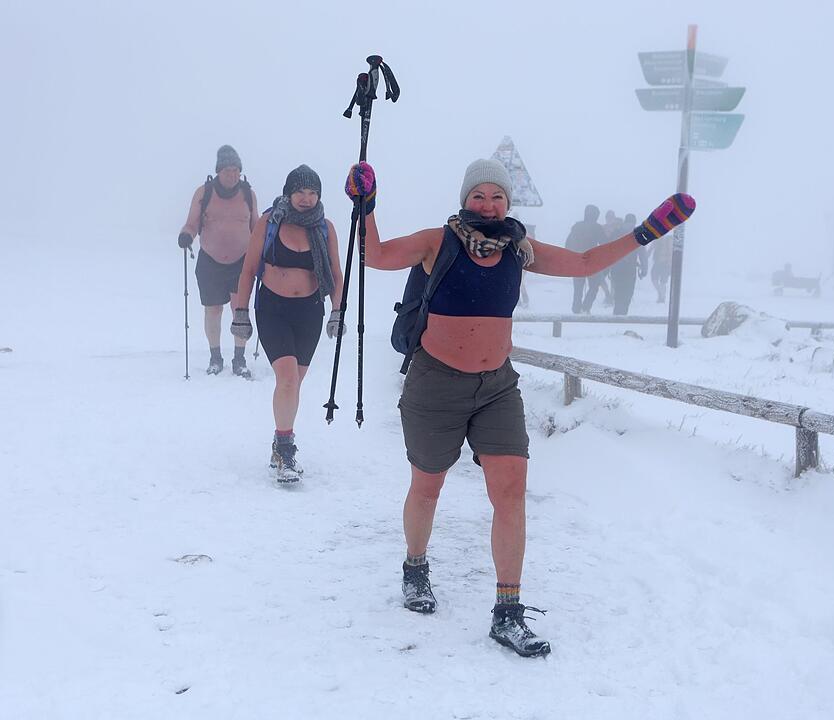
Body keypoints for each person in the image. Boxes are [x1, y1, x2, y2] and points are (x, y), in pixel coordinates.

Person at [344, 158, 695, 657]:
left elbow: (585, 262)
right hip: (435, 384)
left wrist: (645, 233)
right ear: (465, 198)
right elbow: (374, 255)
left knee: (510, 492)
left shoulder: (519, 250)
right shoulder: (435, 241)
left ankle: (507, 613)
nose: (489, 204)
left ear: (509, 203)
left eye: (498, 197)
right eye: (480, 195)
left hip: (497, 388)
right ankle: (415, 568)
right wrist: (366, 204)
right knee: (428, 486)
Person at [230, 165, 345, 483]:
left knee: (294, 382)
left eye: (312, 193)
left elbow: (336, 274)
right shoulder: (270, 222)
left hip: (309, 311)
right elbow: (249, 268)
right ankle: (285, 448)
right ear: (288, 193)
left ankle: (280, 439)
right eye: (300, 192)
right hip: (273, 309)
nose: (306, 199)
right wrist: (241, 312)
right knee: (289, 380)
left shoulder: (324, 228)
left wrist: (337, 311)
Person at [178, 145, 259, 377]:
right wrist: (186, 235)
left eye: (236, 170)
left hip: (241, 262)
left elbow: (256, 227)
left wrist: (264, 249)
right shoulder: (203, 193)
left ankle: (239, 359)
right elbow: (192, 223)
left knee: (239, 310)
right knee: (213, 310)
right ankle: (215, 357)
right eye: (227, 170)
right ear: (218, 171)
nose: (232, 174)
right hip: (210, 261)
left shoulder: (248, 194)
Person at [565, 205, 607, 313]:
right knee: (594, 285)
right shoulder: (597, 228)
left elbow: (568, 243)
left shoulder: (576, 227)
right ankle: (586, 307)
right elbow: (604, 244)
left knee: (578, 287)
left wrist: (570, 257)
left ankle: (576, 309)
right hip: (592, 260)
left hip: (577, 260)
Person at [609, 213, 649, 315]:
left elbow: (609, 250)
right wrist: (644, 269)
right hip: (630, 269)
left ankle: (617, 314)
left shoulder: (616, 233)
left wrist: (607, 267)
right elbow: (642, 253)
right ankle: (622, 313)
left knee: (618, 292)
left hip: (617, 268)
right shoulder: (637, 234)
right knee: (628, 293)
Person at [650, 234, 673, 303]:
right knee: (654, 279)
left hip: (666, 264)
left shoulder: (668, 240)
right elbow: (651, 249)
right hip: (658, 263)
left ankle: (662, 297)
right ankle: (661, 294)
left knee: (662, 282)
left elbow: (672, 253)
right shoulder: (656, 240)